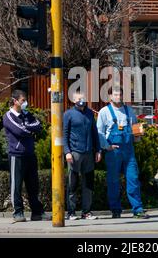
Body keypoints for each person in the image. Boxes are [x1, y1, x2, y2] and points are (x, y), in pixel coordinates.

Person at [96, 86, 149, 219]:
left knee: (133, 179)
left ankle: (138, 209)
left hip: (128, 151)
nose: (118, 97)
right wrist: (106, 146)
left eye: (120, 94)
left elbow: (135, 129)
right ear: (110, 97)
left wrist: (138, 135)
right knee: (113, 181)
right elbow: (99, 132)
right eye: (115, 95)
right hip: (113, 152)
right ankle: (115, 210)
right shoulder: (104, 112)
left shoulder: (129, 111)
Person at [3, 89, 49, 222]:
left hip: (30, 154)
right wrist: (29, 129)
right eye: (23, 100)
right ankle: (18, 212)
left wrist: (27, 126)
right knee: (16, 186)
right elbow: (19, 131)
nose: (25, 103)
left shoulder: (27, 114)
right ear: (15, 101)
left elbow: (38, 125)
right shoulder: (8, 116)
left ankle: (37, 213)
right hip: (16, 155)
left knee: (33, 186)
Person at [63, 92, 101, 220]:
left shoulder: (90, 113)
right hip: (75, 153)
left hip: (89, 153)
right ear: (74, 100)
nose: (82, 100)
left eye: (83, 98)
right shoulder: (68, 114)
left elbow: (94, 132)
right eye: (79, 99)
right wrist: (67, 151)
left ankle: (87, 212)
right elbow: (65, 134)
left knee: (88, 184)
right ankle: (71, 212)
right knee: (72, 184)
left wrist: (98, 150)